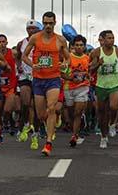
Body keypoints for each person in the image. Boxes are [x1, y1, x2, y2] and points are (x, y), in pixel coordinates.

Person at [22, 12, 70, 156]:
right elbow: (24, 56)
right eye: (46, 23)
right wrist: (32, 65)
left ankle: (48, 143)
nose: (48, 26)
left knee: (51, 108)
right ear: (43, 23)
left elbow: (68, 58)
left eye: (51, 23)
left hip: (53, 79)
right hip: (38, 79)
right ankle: (54, 118)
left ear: (55, 23)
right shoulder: (35, 38)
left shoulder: (60, 40)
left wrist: (64, 65)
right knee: (41, 114)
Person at [89, 30, 118, 149]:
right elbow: (91, 69)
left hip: (114, 84)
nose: (111, 40)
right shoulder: (96, 52)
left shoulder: (117, 51)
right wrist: (98, 64)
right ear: (103, 40)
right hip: (101, 85)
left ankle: (112, 124)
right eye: (109, 38)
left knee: (113, 106)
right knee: (102, 113)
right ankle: (103, 137)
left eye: (112, 38)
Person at [16, 20, 43, 149]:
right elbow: (18, 57)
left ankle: (36, 132)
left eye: (33, 29)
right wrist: (19, 67)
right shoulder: (22, 43)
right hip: (25, 77)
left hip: (39, 77)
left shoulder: (42, 42)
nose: (31, 31)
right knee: (25, 103)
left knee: (37, 108)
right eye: (29, 28)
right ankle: (25, 124)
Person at [63, 35, 90, 147]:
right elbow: (62, 73)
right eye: (77, 45)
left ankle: (74, 135)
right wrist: (71, 78)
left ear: (84, 47)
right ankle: (76, 124)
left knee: (77, 112)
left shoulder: (87, 59)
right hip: (69, 87)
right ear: (73, 46)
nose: (79, 47)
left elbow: (90, 71)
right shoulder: (68, 57)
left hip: (82, 88)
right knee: (71, 113)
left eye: (81, 45)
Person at [0, 34, 18, 137]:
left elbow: (20, 59)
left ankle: (10, 122)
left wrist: (19, 67)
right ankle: (0, 127)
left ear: (7, 43)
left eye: (3, 41)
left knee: (7, 109)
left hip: (10, 85)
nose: (1, 44)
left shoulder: (12, 53)